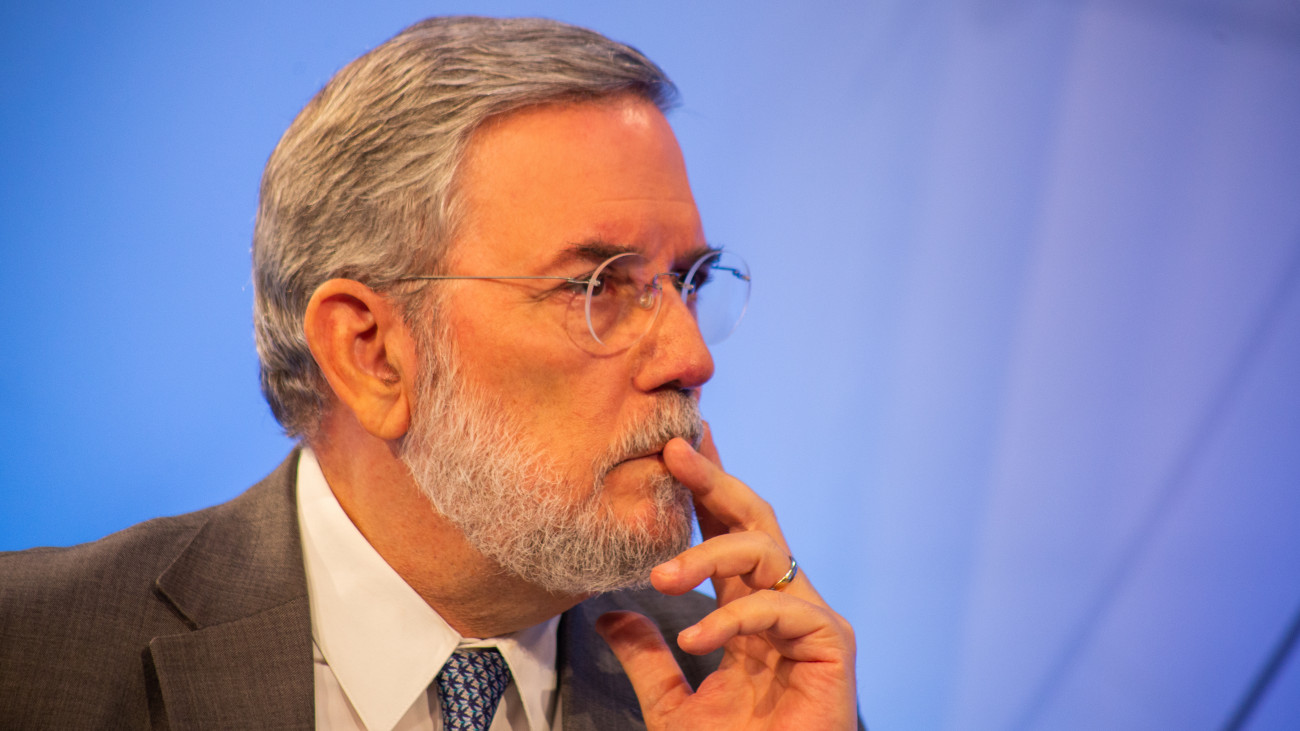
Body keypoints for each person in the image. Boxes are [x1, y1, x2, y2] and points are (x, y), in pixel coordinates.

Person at [0, 16, 858, 730]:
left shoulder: (742, 683)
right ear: (370, 352)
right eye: (597, 286)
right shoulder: (33, 654)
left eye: (687, 281)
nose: (692, 357)